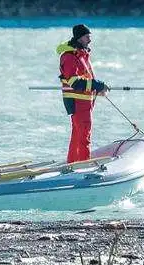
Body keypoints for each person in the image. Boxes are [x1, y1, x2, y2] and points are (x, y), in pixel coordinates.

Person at [56, 24, 109, 164]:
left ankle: (73, 164)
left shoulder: (82, 54)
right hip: (78, 102)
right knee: (83, 136)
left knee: (78, 135)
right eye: (87, 37)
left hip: (86, 102)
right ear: (79, 38)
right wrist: (97, 84)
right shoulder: (69, 57)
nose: (89, 40)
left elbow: (86, 77)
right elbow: (75, 82)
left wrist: (97, 88)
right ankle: (83, 167)